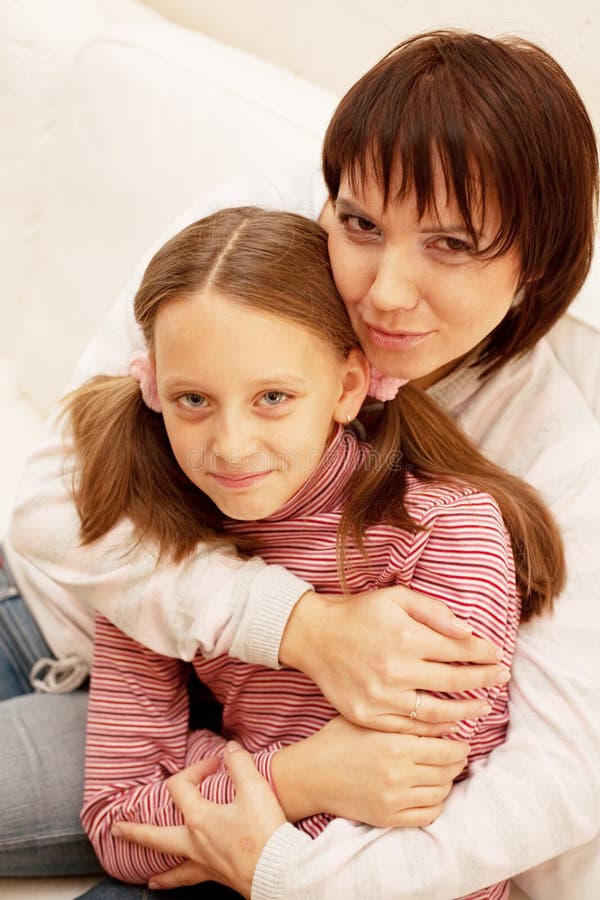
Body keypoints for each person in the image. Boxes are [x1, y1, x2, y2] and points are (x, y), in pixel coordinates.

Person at [3, 28, 599, 899]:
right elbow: (54, 506)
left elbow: (547, 772)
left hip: (239, 762)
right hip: (73, 628)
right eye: (360, 223)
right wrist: (296, 629)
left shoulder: (537, 459)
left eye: (452, 245)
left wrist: (290, 866)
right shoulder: (250, 252)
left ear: (537, 266)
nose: (386, 291)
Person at [66, 206, 561, 900]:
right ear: (155, 389)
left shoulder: (446, 533)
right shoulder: (154, 541)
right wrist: (305, 776)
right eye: (193, 400)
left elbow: (414, 801)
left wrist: (206, 769)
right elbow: (118, 822)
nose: (232, 445)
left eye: (272, 397)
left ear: (348, 386)